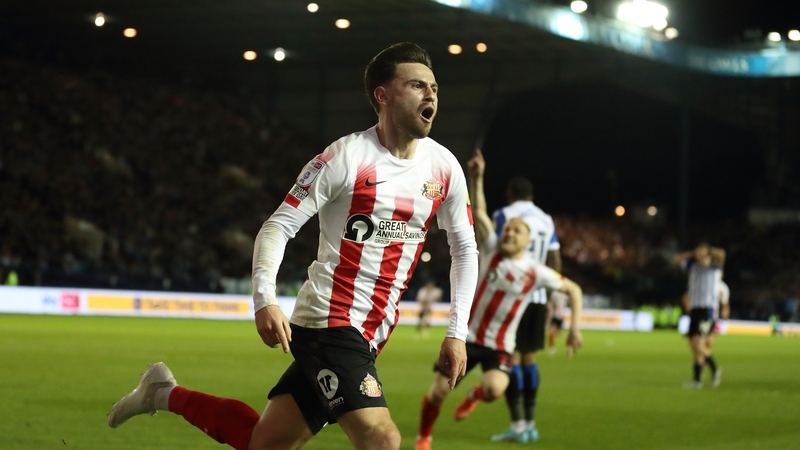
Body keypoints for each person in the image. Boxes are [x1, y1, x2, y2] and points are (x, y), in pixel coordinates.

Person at [106, 42, 480, 450]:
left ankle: (161, 392)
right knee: (382, 437)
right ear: (383, 95)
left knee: (263, 443)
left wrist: (457, 331)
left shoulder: (444, 167)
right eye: (417, 85)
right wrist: (264, 298)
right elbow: (278, 226)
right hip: (328, 321)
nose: (431, 95)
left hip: (372, 331)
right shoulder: (346, 158)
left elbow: (464, 250)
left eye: (434, 88)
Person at [414, 149, 582, 450]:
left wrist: (574, 328)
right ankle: (424, 437)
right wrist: (476, 178)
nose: (509, 232)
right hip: (467, 338)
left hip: (500, 346)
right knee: (438, 392)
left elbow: (575, 290)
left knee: (494, 390)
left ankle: (476, 395)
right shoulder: (490, 249)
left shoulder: (535, 272)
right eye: (508, 228)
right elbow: (478, 213)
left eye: (517, 230)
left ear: (528, 241)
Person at [488, 166, 563, 443]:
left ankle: (518, 425)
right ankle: (530, 424)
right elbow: (555, 261)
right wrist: (554, 296)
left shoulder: (505, 215)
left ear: (511, 194)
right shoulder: (546, 219)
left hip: (512, 296)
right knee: (529, 358)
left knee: (511, 359)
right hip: (539, 296)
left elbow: (493, 250)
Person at [675, 243, 726, 389]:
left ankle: (715, 369)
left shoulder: (714, 268)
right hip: (695, 309)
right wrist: (692, 253)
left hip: (706, 309)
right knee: (693, 345)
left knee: (699, 343)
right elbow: (677, 259)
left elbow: (722, 253)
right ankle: (697, 380)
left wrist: (707, 250)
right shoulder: (693, 266)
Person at [546, 290, 568, 356]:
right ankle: (552, 348)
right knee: (551, 333)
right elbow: (551, 304)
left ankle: (561, 335)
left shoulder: (565, 295)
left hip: (561, 316)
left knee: (558, 332)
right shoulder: (555, 293)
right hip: (554, 316)